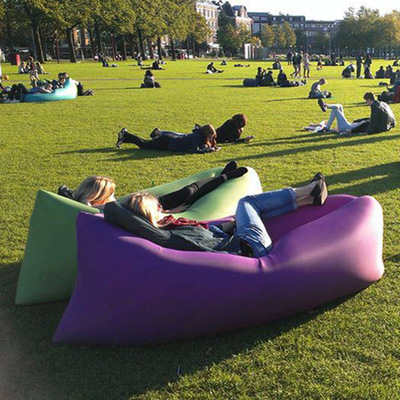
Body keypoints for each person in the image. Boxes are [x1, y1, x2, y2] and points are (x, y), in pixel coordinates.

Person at [103, 174, 328, 258]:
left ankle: (308, 199)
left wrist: (228, 226)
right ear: (147, 214)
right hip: (248, 246)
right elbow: (112, 209)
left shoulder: (171, 229)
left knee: (247, 215)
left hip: (240, 243)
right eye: (156, 207)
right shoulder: (163, 236)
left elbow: (205, 239)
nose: (161, 208)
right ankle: (307, 190)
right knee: (247, 202)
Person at [58, 162, 248, 212]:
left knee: (190, 190)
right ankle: (226, 176)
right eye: (110, 194)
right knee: (191, 192)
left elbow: (64, 190)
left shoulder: (95, 204)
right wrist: (170, 212)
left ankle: (223, 175)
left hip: (148, 202)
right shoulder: (98, 210)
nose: (113, 196)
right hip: (155, 207)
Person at [317, 92, 396, 135]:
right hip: (354, 125)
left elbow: (372, 122)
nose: (366, 103)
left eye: (366, 101)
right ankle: (326, 106)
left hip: (349, 127)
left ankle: (327, 127)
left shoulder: (375, 107)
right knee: (339, 106)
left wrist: (352, 131)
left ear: (369, 100)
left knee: (336, 110)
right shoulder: (382, 104)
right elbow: (390, 117)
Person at [115, 124, 220, 153]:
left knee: (145, 144)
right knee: (144, 145)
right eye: (210, 136)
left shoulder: (199, 135)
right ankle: (125, 135)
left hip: (169, 141)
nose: (211, 138)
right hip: (167, 142)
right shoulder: (196, 137)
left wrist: (210, 147)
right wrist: (208, 150)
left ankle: (124, 137)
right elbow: (194, 150)